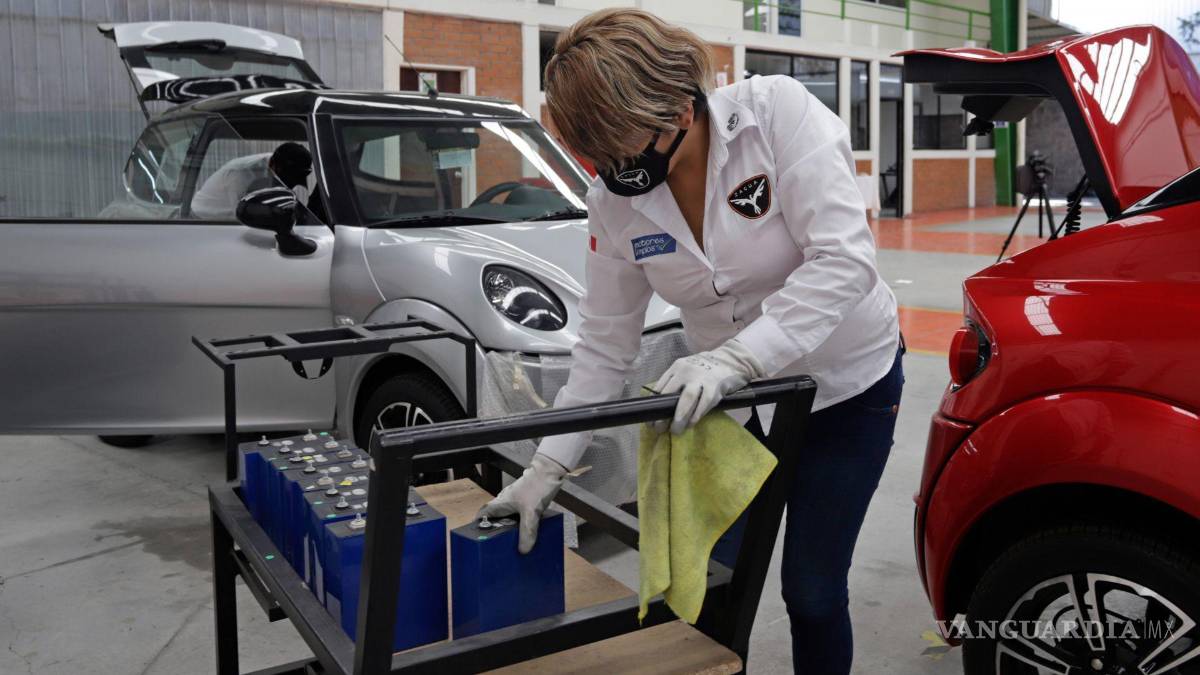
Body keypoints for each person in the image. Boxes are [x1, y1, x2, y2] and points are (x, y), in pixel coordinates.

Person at [479, 8, 903, 674]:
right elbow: (606, 344)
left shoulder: (777, 116)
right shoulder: (614, 200)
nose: (614, 170)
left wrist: (740, 357)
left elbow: (845, 261)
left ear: (679, 108)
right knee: (707, 587)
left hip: (845, 387)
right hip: (733, 407)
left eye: (622, 149)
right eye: (600, 156)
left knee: (813, 591)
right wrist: (545, 469)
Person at [191, 142, 322, 221]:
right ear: (273, 165)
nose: (290, 184)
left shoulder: (280, 164)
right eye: (288, 179)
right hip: (203, 218)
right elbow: (243, 217)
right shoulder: (241, 175)